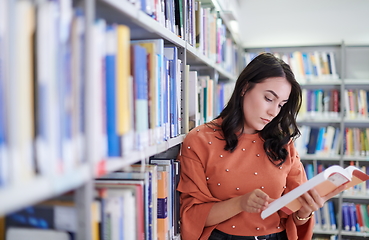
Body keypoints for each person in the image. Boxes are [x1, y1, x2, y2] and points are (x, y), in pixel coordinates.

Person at [176, 52, 345, 240]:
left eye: (281, 105)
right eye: (268, 98)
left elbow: (294, 218)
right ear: (245, 88)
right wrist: (240, 203)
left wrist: (305, 212)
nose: (273, 112)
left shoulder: (284, 144)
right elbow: (192, 216)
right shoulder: (199, 140)